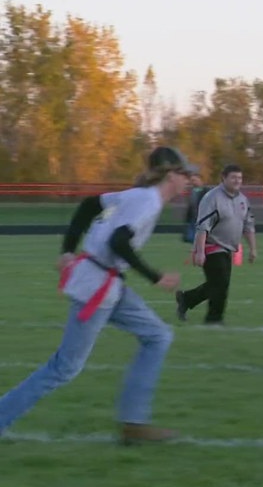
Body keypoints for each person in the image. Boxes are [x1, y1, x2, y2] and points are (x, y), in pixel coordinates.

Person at [0, 147, 195, 444]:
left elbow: (91, 204)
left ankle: (133, 423)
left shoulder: (136, 196)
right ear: (170, 175)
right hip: (97, 284)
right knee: (64, 368)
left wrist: (68, 249)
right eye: (185, 174)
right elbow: (119, 241)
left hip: (108, 283)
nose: (189, 180)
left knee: (158, 336)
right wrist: (156, 277)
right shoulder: (147, 201)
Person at [177, 164, 258, 325]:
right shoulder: (212, 198)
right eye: (233, 177)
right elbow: (203, 226)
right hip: (211, 245)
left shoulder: (243, 200)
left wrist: (252, 249)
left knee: (218, 284)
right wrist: (199, 252)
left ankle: (186, 298)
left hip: (228, 247)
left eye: (240, 178)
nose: (237, 181)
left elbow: (248, 226)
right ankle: (214, 319)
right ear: (223, 178)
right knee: (220, 284)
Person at [182, 173, 207, 243]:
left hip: (202, 218)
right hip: (193, 218)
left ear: (200, 180)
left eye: (194, 180)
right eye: (192, 180)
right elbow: (191, 205)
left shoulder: (207, 191)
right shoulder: (192, 191)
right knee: (191, 237)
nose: (193, 182)